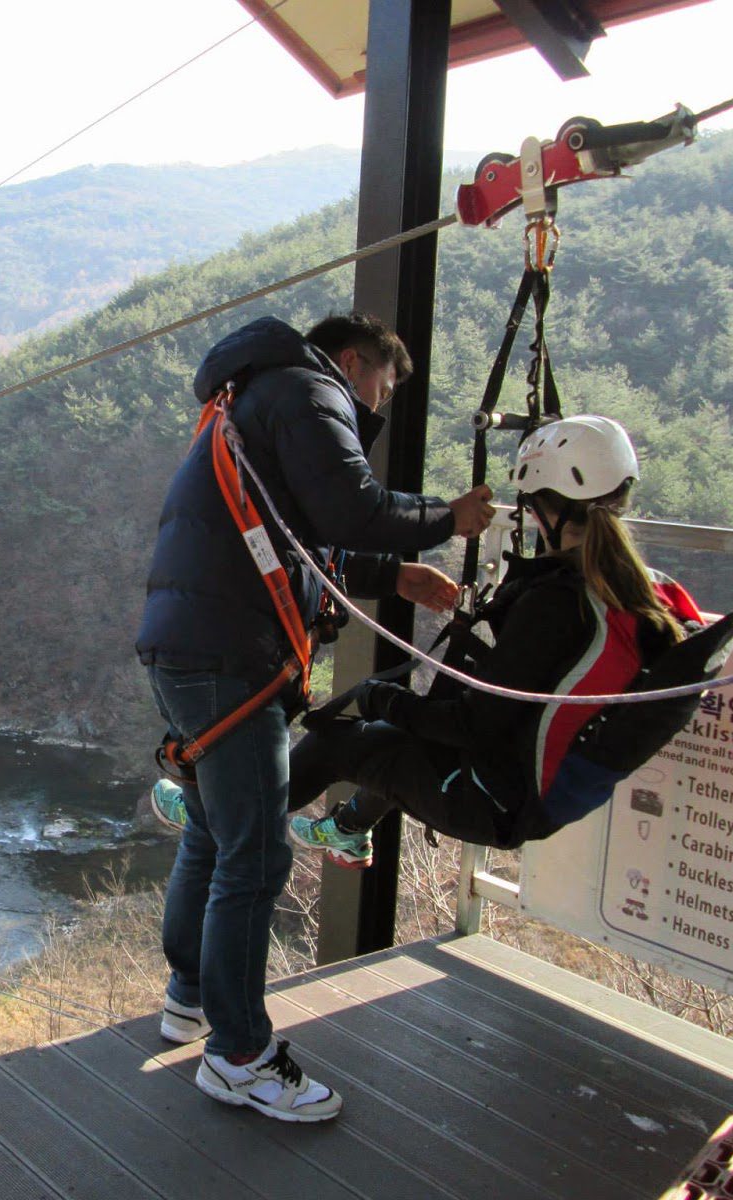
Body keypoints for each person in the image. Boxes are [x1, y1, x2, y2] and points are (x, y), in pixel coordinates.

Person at [134, 311, 494, 1123]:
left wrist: (393, 576)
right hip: (231, 653)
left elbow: (302, 539)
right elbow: (350, 510)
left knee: (213, 831)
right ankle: (238, 1057)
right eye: (383, 385)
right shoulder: (307, 388)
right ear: (354, 359)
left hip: (194, 642)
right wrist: (448, 518)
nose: (377, 404)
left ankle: (191, 1000)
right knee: (255, 856)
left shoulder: (252, 396)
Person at [287, 414, 730, 868]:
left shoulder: (558, 603)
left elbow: (470, 725)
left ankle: (229, 817)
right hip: (526, 787)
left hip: (491, 799)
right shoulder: (638, 587)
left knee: (336, 741)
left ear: (541, 510)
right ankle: (348, 829)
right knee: (396, 732)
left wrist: (379, 697)